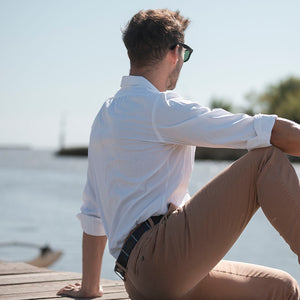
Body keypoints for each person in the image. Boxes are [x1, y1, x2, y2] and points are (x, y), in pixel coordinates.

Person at [57, 8, 300, 300]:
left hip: (141, 281)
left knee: (282, 288)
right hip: (163, 260)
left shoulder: (105, 116)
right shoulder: (162, 108)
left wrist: (90, 287)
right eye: (184, 55)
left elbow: (93, 211)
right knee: (265, 161)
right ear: (175, 52)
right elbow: (267, 131)